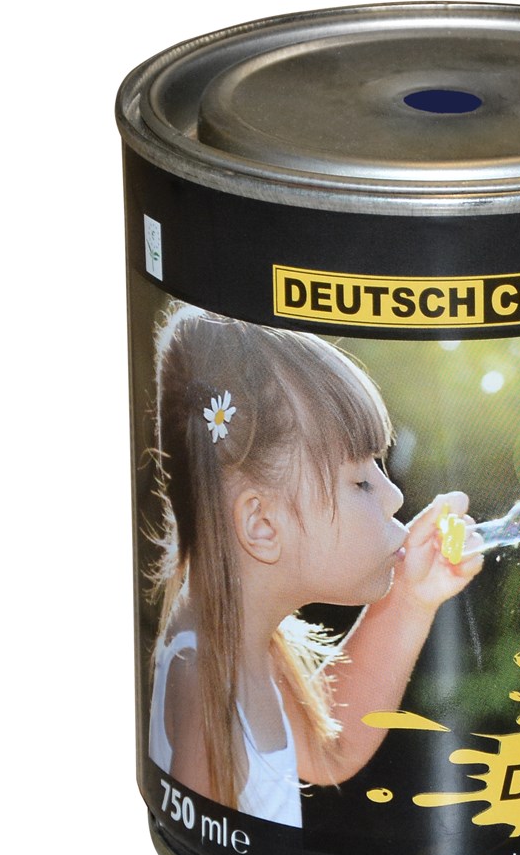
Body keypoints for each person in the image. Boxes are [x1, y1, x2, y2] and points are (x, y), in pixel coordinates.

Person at [147, 302, 482, 825]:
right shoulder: (202, 682)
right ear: (262, 524)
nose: (394, 496)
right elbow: (210, 844)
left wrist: (410, 596)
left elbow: (331, 749)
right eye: (361, 481)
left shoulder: (245, 646)